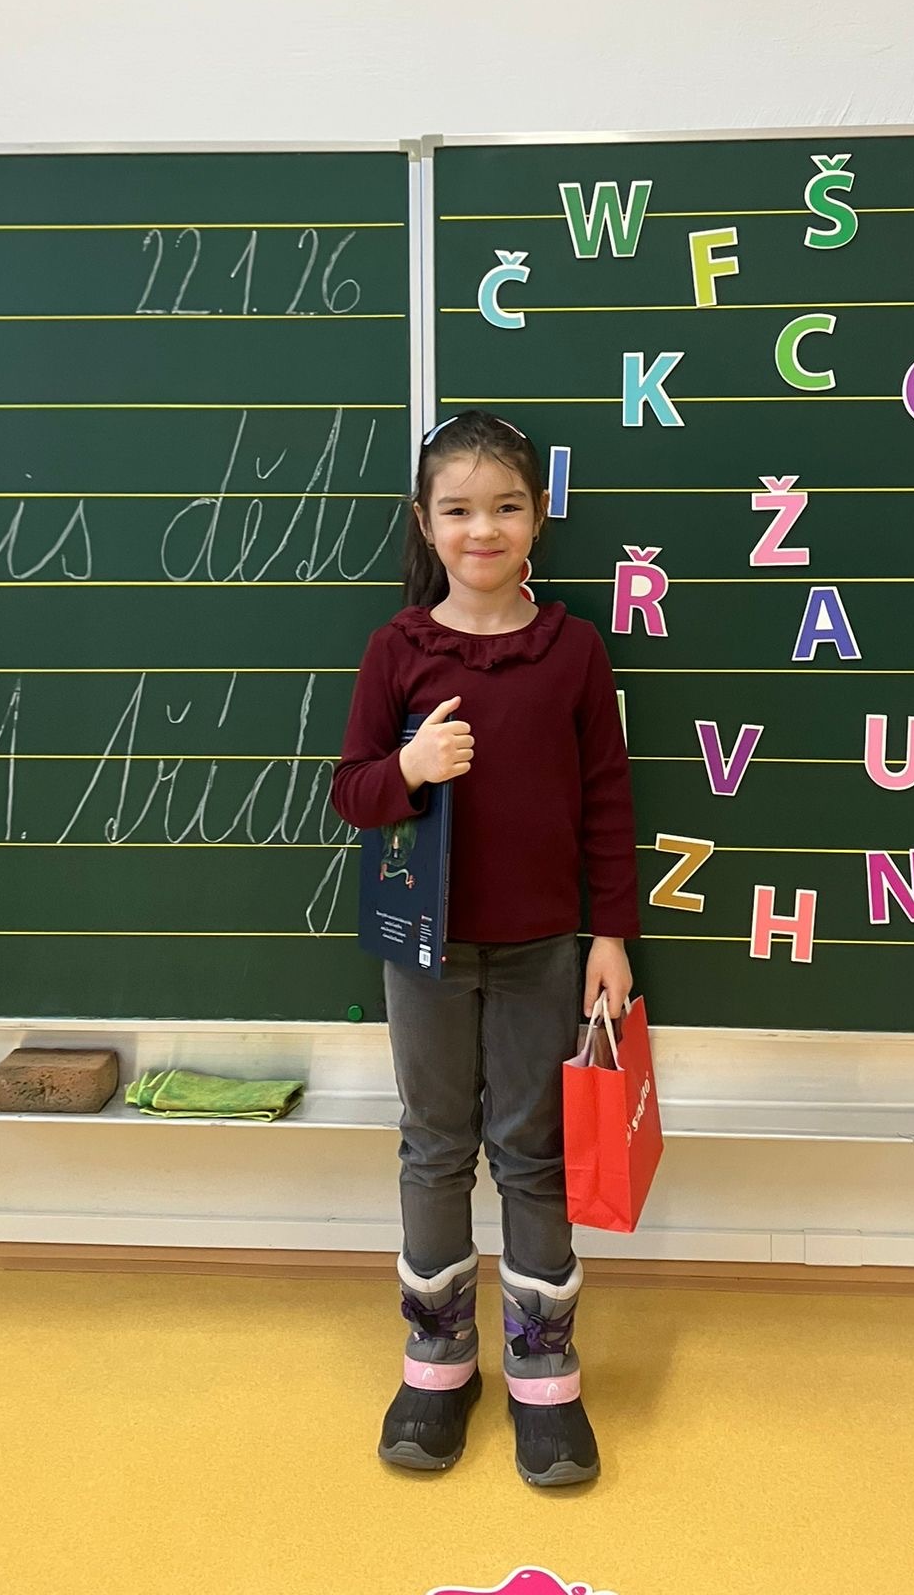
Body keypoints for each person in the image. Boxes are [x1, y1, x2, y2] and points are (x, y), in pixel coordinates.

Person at [331, 410, 639, 1488]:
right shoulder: (399, 649)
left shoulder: (572, 650)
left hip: (544, 947)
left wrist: (611, 932)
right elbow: (351, 791)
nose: (483, 528)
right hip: (423, 948)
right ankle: (437, 1363)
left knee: (533, 1148)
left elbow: (608, 799)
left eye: (506, 506)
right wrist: (411, 768)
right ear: (425, 523)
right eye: (458, 509)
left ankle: (544, 1374)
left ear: (539, 517)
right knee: (433, 1144)